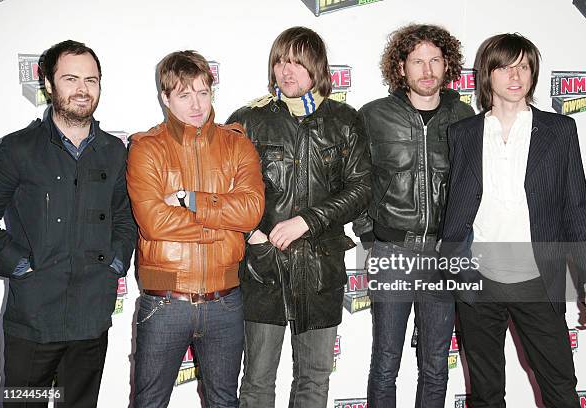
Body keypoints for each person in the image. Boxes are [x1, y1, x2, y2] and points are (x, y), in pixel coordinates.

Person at [441, 33, 586, 408]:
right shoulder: (462, 134)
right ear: (487, 74)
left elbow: (576, 210)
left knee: (560, 386)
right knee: (484, 393)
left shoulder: (559, 131)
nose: (515, 76)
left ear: (533, 74)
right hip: (476, 279)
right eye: (505, 67)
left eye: (524, 67)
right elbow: (457, 210)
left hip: (538, 279)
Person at [227, 26, 371, 408]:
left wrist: (307, 221)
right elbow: (225, 189)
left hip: (320, 270)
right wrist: (253, 236)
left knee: (313, 381)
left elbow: (361, 190)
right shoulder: (249, 119)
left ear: (317, 68)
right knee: (257, 383)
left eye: (297, 62)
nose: (286, 71)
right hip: (263, 270)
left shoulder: (344, 120)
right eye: (280, 61)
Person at [0, 40, 136, 407]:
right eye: (70, 79)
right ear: (48, 85)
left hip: (91, 321)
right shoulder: (16, 149)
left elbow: (124, 216)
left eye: (91, 80)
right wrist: (21, 266)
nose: (82, 89)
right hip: (31, 323)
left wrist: (116, 263)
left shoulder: (113, 150)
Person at [127, 50, 264, 407]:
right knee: (149, 403)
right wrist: (220, 225)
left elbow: (250, 212)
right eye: (184, 94)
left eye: (203, 92)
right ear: (165, 98)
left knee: (224, 401)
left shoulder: (237, 143)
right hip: (164, 300)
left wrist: (190, 200)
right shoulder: (146, 148)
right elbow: (154, 222)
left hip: (225, 300)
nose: (196, 103)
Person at [352, 24, 475, 407]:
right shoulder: (373, 116)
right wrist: (370, 240)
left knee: (436, 365)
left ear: (447, 65)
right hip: (392, 253)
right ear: (401, 67)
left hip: (443, 255)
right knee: (386, 362)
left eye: (435, 60)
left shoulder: (464, 115)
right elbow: (358, 181)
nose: (427, 70)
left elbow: (472, 185)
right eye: (417, 61)